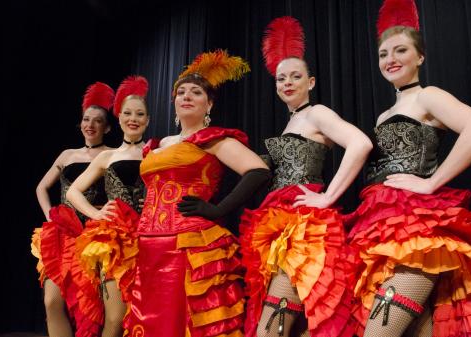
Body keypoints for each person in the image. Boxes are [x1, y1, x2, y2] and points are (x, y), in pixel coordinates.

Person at [347, 1, 471, 336]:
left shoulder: (428, 96)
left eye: (400, 50)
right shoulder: (384, 115)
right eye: (383, 53)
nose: (390, 59)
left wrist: (430, 183)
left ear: (420, 57)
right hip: (381, 226)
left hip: (417, 227)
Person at [123, 50, 271, 337]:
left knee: (183, 321)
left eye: (196, 92)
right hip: (147, 246)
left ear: (209, 104)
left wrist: (217, 209)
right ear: (174, 102)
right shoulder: (159, 143)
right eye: (181, 92)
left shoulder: (212, 139)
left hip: (186, 245)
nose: (187, 96)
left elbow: (258, 170)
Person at [240, 17, 372, 337]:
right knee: (295, 327)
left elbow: (360, 143)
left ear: (310, 82)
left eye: (295, 76)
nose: (287, 83)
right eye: (281, 78)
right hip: (280, 223)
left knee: (273, 328)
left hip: (305, 225)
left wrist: (328, 197)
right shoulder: (293, 122)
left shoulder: (317, 113)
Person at [67, 75, 149, 337]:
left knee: (140, 315)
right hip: (113, 239)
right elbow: (73, 191)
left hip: (149, 237)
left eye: (139, 114)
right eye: (127, 113)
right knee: (115, 317)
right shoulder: (107, 156)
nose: (133, 118)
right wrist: (97, 213)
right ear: (120, 118)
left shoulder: (156, 152)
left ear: (147, 120)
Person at [31, 82, 114, 337]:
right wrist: (49, 214)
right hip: (63, 233)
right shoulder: (67, 155)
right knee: (52, 301)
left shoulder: (112, 155)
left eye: (97, 121)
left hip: (95, 234)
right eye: (86, 119)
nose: (90, 125)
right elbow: (41, 188)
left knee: (90, 305)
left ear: (107, 127)